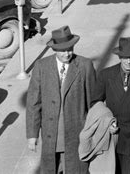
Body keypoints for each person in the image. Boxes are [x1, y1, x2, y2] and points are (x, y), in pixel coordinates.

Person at [26, 25, 96, 174]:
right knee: (52, 169)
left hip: (76, 134)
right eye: (63, 50)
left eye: (70, 49)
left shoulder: (85, 65)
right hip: (51, 135)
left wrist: (93, 131)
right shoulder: (41, 66)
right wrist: (32, 135)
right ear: (54, 49)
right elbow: (33, 103)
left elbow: (93, 101)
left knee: (76, 169)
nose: (67, 53)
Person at [92, 36, 130, 174]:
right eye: (125, 57)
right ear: (119, 57)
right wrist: (106, 124)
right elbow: (96, 103)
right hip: (110, 135)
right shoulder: (106, 75)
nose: (129, 61)